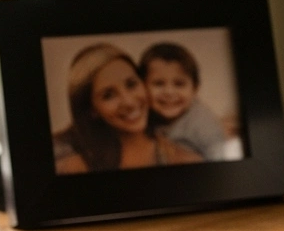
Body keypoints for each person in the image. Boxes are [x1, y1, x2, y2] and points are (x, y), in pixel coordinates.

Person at [53, 43, 204, 174]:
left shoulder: (185, 160)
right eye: (108, 95)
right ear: (92, 110)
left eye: (131, 84)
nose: (129, 102)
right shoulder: (70, 166)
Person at [139, 42, 235, 162]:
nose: (169, 92)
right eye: (159, 83)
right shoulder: (143, 115)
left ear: (195, 89)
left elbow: (219, 157)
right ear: (142, 87)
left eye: (179, 84)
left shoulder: (204, 126)